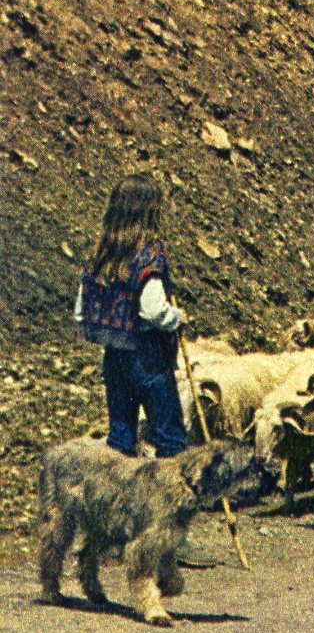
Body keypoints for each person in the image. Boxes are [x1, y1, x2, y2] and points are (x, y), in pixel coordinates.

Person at [75, 175, 189, 459]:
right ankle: (168, 499)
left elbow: (81, 311)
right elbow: (152, 310)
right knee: (170, 438)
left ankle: (121, 496)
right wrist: (176, 317)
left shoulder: (102, 254)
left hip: (114, 358)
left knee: (121, 437)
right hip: (148, 359)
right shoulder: (150, 255)